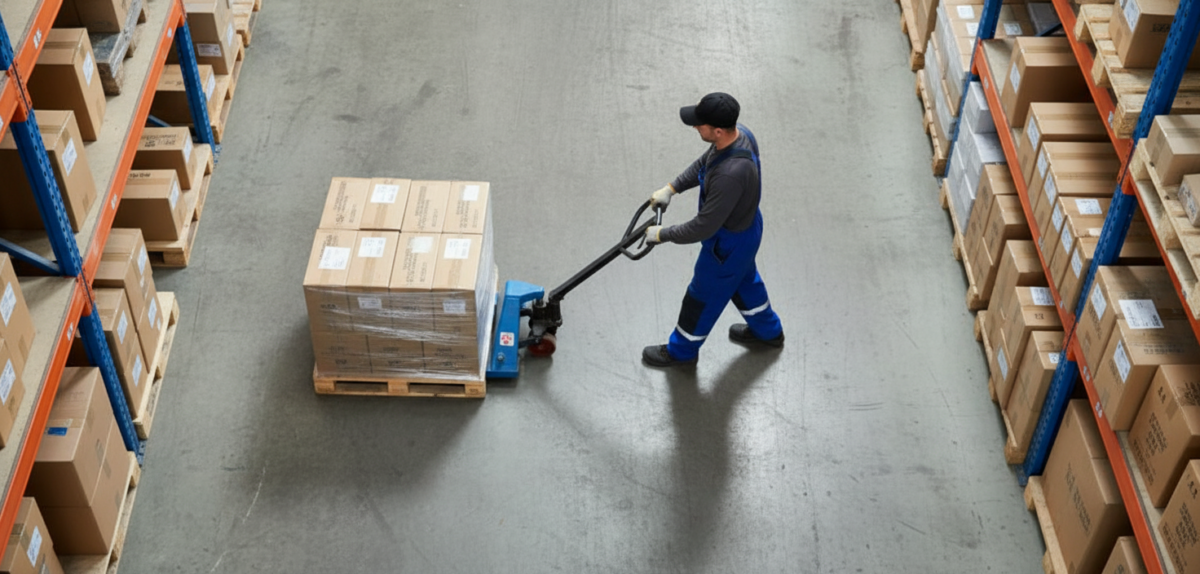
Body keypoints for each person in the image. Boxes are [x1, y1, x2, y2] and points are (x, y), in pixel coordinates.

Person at [641, 92, 785, 368]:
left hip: (726, 247)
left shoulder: (731, 175)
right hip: (746, 231)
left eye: (700, 124)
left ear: (717, 130)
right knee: (744, 282)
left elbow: (702, 227)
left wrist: (662, 234)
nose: (695, 127)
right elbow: (705, 163)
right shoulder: (739, 135)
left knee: (701, 297)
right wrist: (672, 188)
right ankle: (769, 332)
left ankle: (681, 352)